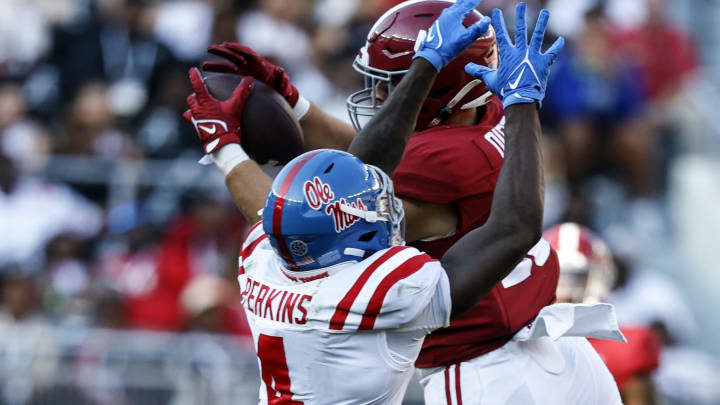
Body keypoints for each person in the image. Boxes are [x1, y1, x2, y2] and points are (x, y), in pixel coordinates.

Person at [185, 2, 623, 404]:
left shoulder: (431, 172)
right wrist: (294, 103)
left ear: (438, 91)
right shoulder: (488, 110)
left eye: (388, 86)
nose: (378, 98)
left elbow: (327, 204)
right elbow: (354, 173)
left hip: (481, 369)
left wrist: (224, 145)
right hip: (557, 346)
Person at [545, 222, 661, 405]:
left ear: (599, 277)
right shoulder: (515, 341)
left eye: (575, 276)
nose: (565, 289)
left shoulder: (626, 348)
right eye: (558, 275)